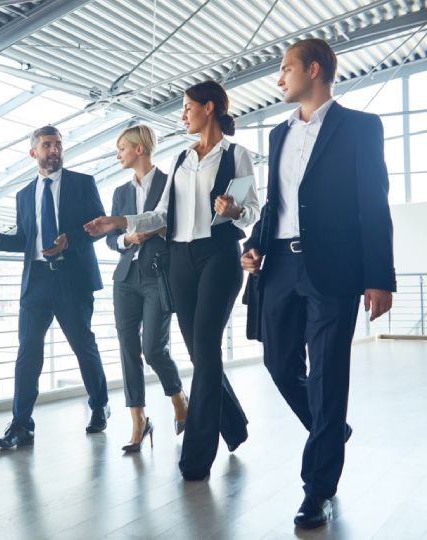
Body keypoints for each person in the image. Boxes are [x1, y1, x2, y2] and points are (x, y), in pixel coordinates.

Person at [240, 39, 395, 529]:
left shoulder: (360, 128)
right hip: (280, 266)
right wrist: (256, 242)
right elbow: (276, 203)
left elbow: (373, 201)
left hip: (334, 270)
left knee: (328, 376)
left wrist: (378, 276)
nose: (279, 79)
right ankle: (332, 431)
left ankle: (318, 489)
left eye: (286, 69)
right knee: (277, 361)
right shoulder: (278, 134)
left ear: (313, 69)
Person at [85, 80, 258, 479]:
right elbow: (161, 215)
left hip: (218, 255)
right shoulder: (181, 158)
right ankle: (234, 426)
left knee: (207, 348)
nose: (182, 114)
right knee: (200, 353)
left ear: (209, 108)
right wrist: (118, 221)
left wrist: (233, 210)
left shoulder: (236, 156)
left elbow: (252, 211)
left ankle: (197, 454)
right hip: (180, 260)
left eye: (187, 107)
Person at [0, 125, 110, 449]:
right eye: (47, 145)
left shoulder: (82, 183)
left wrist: (70, 240)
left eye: (58, 144)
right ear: (33, 152)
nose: (55, 150)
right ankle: (21, 425)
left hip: (71, 278)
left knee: (83, 345)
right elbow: (26, 240)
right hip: (36, 281)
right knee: (28, 354)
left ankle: (99, 406)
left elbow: (100, 227)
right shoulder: (25, 195)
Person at [106, 125, 188, 453]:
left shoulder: (172, 184)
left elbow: (180, 226)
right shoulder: (119, 193)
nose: (118, 154)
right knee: (128, 348)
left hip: (158, 276)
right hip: (126, 278)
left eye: (122, 148)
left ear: (139, 149)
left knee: (153, 348)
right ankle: (138, 421)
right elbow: (111, 239)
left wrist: (153, 232)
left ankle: (178, 397)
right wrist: (126, 238)